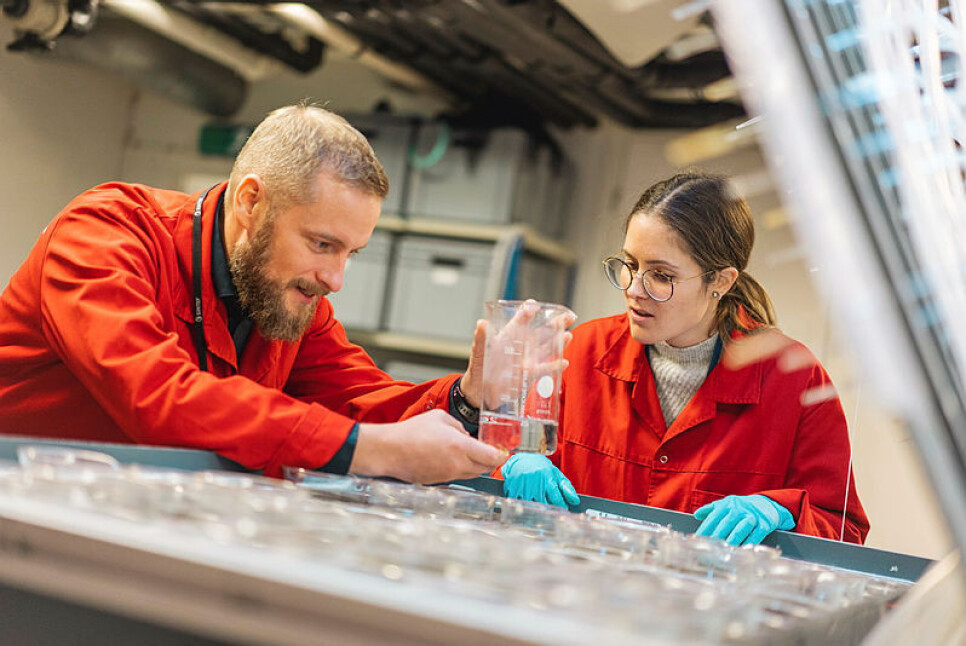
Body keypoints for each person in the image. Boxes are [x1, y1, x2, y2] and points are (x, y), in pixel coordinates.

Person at [0, 104, 506, 483]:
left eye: (349, 253)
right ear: (250, 202)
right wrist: (370, 450)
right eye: (322, 243)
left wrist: (466, 399)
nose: (334, 279)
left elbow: (362, 405)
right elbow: (158, 396)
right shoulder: (105, 232)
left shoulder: (291, 301)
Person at [500, 172, 870, 545]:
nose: (634, 289)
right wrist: (512, 461)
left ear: (721, 282)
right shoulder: (581, 352)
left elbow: (844, 533)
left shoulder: (794, 379)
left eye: (661, 276)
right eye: (630, 265)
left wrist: (782, 511)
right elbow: (508, 471)